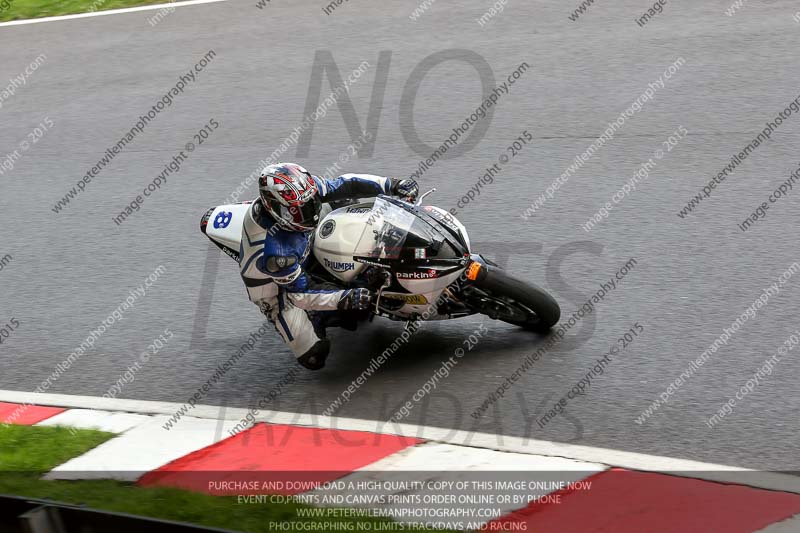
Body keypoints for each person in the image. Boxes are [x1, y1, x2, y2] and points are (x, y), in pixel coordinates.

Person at [239, 162, 418, 370]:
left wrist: (392, 185)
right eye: (298, 211)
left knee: (343, 200)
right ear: (275, 209)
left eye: (310, 202)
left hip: (303, 248)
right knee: (314, 356)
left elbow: (346, 184)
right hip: (282, 291)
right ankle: (317, 316)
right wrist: (345, 298)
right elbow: (301, 293)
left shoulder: (304, 192)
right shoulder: (274, 253)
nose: (311, 213)